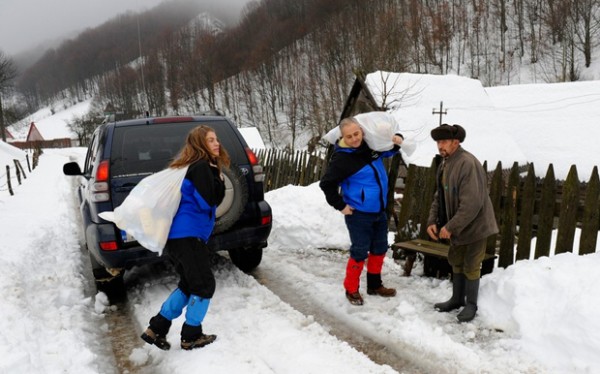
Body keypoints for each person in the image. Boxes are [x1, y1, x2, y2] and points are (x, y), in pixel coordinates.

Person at [141, 125, 230, 350]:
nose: (216, 143)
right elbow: (208, 200)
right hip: (188, 236)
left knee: (189, 284)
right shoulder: (201, 167)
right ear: (200, 144)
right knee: (204, 285)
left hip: (180, 237)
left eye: (216, 138)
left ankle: (156, 328)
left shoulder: (194, 166)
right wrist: (218, 178)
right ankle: (191, 335)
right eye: (211, 140)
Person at [320, 117, 403, 306]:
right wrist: (341, 206)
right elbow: (327, 184)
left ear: (362, 132)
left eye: (356, 134)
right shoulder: (342, 159)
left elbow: (390, 149)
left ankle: (374, 285)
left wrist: (397, 138)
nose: (354, 139)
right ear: (343, 137)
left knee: (379, 248)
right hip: (358, 215)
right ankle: (351, 289)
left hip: (379, 211)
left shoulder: (370, 147)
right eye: (349, 136)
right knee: (359, 252)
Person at [426, 124, 498, 322]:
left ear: (455, 142)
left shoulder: (467, 163)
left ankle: (471, 305)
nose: (440, 146)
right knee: (456, 261)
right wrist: (433, 220)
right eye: (438, 142)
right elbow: (438, 195)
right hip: (457, 225)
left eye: (444, 142)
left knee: (471, 264)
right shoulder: (445, 163)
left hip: (475, 225)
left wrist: (450, 227)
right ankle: (457, 299)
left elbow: (472, 204)